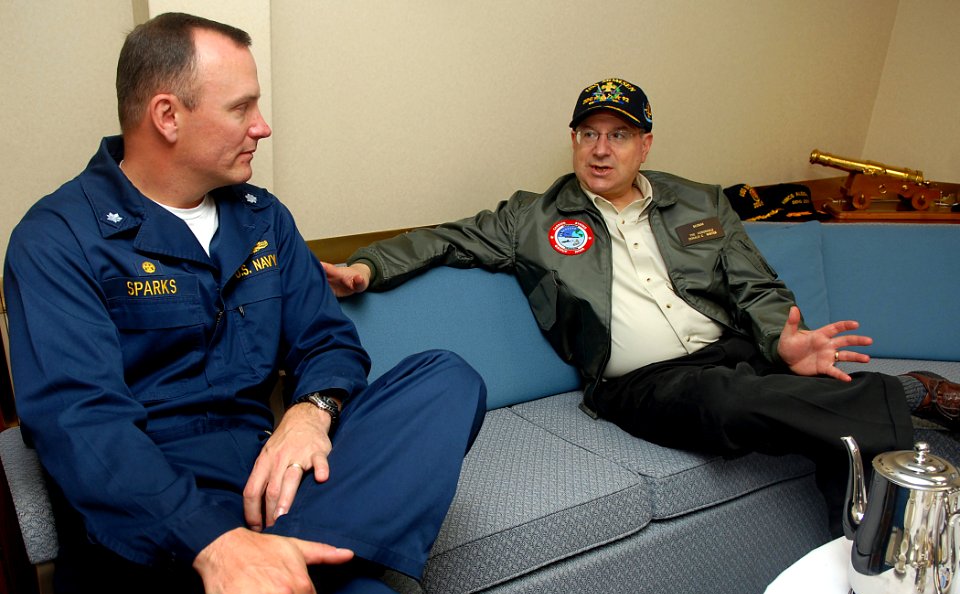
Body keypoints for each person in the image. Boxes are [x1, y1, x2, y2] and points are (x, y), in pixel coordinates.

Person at [4, 12, 485, 594]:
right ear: (168, 115)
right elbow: (82, 426)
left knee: (447, 378)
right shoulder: (57, 239)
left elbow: (329, 342)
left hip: (271, 497)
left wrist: (310, 411)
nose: (262, 125)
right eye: (242, 108)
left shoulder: (263, 218)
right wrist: (216, 543)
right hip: (147, 543)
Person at [324, 77, 959, 511]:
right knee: (727, 404)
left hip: (732, 348)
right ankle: (908, 394)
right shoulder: (531, 218)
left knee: (830, 436)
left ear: (645, 143)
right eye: (589, 133)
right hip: (643, 381)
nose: (601, 150)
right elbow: (445, 239)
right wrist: (367, 268)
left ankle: (863, 564)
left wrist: (782, 338)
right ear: (573, 139)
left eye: (619, 135)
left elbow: (755, 284)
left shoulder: (699, 201)